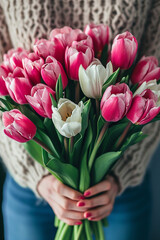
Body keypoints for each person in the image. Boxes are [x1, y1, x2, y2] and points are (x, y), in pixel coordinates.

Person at [0, 0, 160, 239]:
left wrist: (121, 175)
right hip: (32, 193)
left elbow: (154, 89)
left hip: (118, 191)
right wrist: (37, 176)